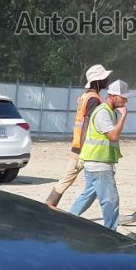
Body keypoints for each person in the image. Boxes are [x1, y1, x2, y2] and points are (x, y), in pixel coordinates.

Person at [67, 79, 130, 231]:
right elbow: (113, 136)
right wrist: (123, 116)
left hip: (95, 162)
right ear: (114, 96)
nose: (126, 101)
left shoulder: (109, 112)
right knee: (111, 200)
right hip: (98, 165)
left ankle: (66, 222)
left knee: (86, 197)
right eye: (124, 97)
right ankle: (110, 234)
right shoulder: (103, 112)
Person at [45, 64, 111, 208]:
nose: (107, 79)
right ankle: (48, 205)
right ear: (97, 81)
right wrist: (83, 151)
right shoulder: (93, 99)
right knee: (68, 178)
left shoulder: (85, 96)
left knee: (79, 180)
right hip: (83, 148)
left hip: (79, 145)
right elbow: (87, 124)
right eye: (104, 78)